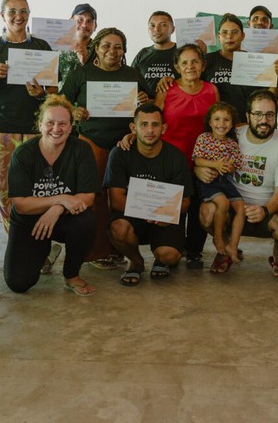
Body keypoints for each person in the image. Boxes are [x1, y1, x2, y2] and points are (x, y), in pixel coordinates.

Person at [60, 27, 148, 268]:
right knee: (94, 198)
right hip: (91, 142)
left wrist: (145, 100)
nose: (112, 51)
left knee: (121, 198)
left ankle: (120, 247)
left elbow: (148, 105)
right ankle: (96, 251)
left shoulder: (133, 74)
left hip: (125, 144)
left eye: (118, 47)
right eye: (106, 45)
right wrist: (74, 111)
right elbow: (60, 103)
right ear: (96, 48)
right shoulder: (81, 73)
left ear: (124, 51)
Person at [196, 90, 278, 278]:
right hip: (231, 207)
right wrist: (198, 169)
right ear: (247, 116)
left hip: (266, 212)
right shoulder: (232, 135)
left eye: (270, 115)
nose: (264, 120)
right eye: (258, 114)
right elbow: (206, 156)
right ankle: (226, 249)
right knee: (206, 212)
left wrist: (265, 210)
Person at [0, 0, 56, 228]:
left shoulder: (41, 47)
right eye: (12, 11)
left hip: (36, 128)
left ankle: (38, 236)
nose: (18, 16)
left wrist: (40, 94)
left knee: (38, 185)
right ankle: (14, 237)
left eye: (23, 11)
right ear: (3, 15)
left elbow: (53, 92)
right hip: (1, 128)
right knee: (5, 187)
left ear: (29, 14)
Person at [3, 95, 98, 296]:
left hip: (64, 218)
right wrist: (60, 198)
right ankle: (44, 252)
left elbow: (88, 196)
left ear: (71, 127)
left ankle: (71, 275)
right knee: (18, 283)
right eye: (50, 123)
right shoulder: (23, 154)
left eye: (63, 123)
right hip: (30, 221)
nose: (56, 129)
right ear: (40, 125)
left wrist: (58, 208)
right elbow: (20, 204)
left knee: (86, 219)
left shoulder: (81, 149)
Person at [106, 104, 194, 286]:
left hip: (165, 218)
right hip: (132, 215)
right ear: (133, 127)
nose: (150, 130)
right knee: (118, 229)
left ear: (164, 128)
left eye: (155, 124)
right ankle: (136, 261)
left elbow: (186, 201)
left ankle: (161, 260)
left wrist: (165, 214)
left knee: (169, 256)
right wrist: (149, 212)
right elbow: (116, 200)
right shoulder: (119, 154)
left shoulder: (176, 157)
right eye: (144, 124)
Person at [155, 43, 220, 268]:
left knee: (197, 205)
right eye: (184, 62)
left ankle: (194, 251)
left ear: (203, 65)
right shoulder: (166, 90)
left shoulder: (212, 90)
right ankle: (168, 249)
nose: (190, 66)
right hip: (172, 160)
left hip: (203, 160)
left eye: (195, 61)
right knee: (173, 207)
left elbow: (218, 126)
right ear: (176, 67)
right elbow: (155, 122)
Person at [191, 103, 246, 273]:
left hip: (224, 181)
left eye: (226, 120)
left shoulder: (232, 144)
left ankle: (233, 246)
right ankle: (218, 237)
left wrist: (229, 167)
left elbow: (235, 166)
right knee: (223, 203)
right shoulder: (204, 138)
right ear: (210, 122)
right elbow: (197, 159)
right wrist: (216, 164)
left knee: (241, 207)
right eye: (217, 119)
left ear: (232, 123)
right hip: (208, 182)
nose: (221, 124)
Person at [203, 13, 259, 118]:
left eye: (234, 32)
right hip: (216, 124)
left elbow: (265, 97)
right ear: (218, 36)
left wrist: (277, 79)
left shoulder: (254, 61)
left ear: (243, 36)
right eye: (225, 32)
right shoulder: (207, 61)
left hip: (246, 123)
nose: (229, 36)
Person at [132, 10, 178, 98]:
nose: (157, 29)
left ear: (172, 29)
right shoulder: (143, 54)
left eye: (163, 25)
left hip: (176, 104)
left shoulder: (182, 52)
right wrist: (138, 97)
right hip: (148, 106)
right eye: (152, 25)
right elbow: (131, 82)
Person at [58, 2, 97, 83]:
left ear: (95, 26)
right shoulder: (56, 46)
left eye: (89, 21)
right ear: (70, 21)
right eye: (80, 20)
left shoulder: (101, 50)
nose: (84, 25)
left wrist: (85, 61)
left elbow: (103, 80)